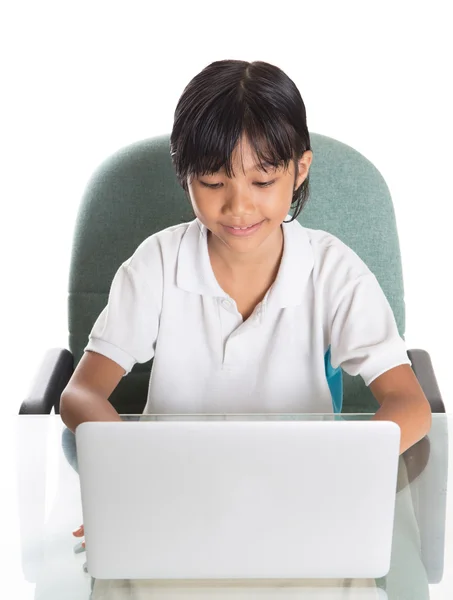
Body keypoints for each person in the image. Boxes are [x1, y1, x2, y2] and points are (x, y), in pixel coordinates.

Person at [61, 59, 432, 552]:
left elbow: (411, 405)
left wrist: (337, 469)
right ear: (183, 173)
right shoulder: (157, 263)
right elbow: (80, 394)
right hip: (175, 498)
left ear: (300, 169)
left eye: (262, 183)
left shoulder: (334, 271)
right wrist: (134, 477)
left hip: (301, 501)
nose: (238, 208)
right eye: (214, 184)